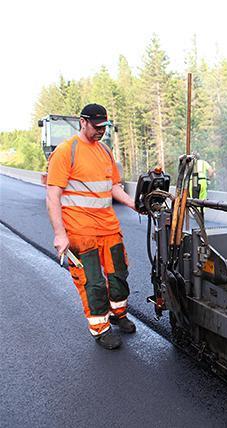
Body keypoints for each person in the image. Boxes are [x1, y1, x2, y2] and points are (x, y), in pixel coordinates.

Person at [46, 103, 137, 350]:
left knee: (119, 275)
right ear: (83, 122)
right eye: (96, 127)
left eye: (104, 127)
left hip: (108, 227)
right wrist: (59, 234)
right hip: (80, 231)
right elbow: (53, 195)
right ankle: (101, 328)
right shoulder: (67, 152)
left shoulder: (105, 152)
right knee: (93, 283)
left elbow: (114, 187)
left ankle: (119, 314)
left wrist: (133, 204)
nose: (101, 132)